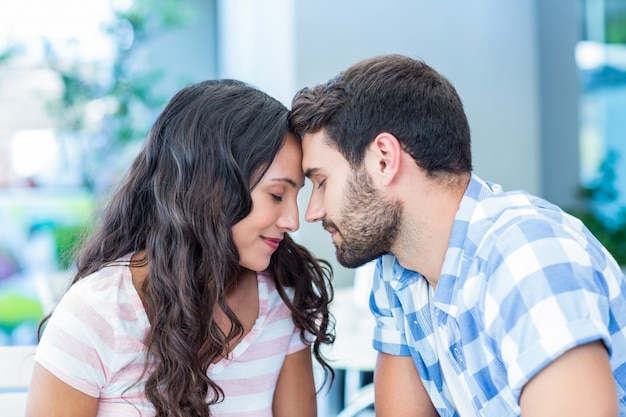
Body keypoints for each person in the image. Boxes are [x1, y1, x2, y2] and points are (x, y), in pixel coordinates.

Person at [289, 54, 626, 416]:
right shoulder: (399, 269)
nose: (312, 212)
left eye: (321, 182)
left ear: (384, 159)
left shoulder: (526, 254)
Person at [26, 79, 335, 417]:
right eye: (277, 195)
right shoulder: (99, 312)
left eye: (296, 195)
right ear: (211, 190)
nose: (293, 220)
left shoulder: (282, 299)